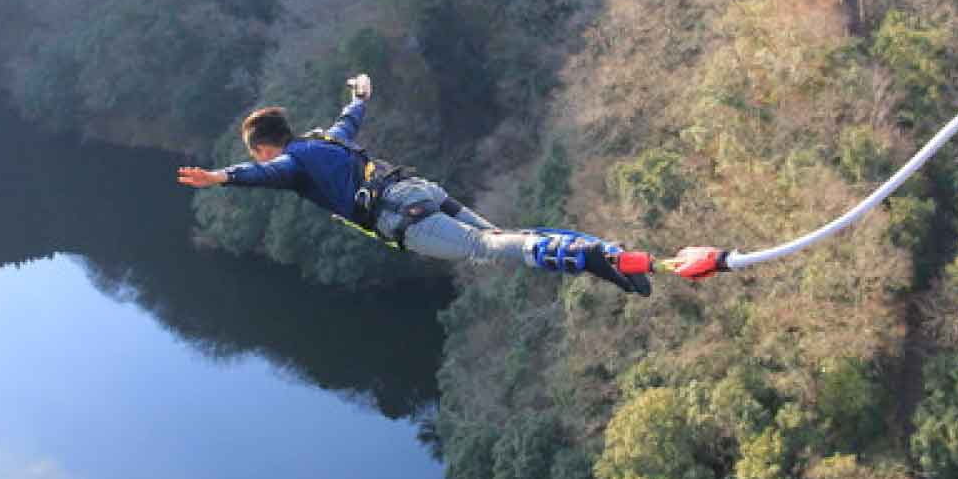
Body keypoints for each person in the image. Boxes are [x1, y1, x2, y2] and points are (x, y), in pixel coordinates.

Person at [177, 74, 651, 295]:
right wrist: (361, 95)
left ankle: (587, 257)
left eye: (254, 154)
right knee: (505, 238)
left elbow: (266, 175)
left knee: (488, 249)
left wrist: (221, 177)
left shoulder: (288, 164)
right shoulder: (325, 141)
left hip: (402, 216)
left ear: (264, 147)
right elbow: (350, 120)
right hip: (419, 191)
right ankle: (603, 253)